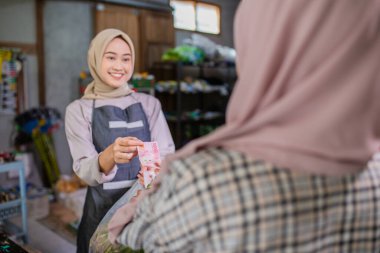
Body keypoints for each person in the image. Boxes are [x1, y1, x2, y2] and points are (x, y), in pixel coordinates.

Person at [106, 0, 380, 252]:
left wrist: (143, 198)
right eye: (111, 58)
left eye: (125, 58)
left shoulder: (204, 182)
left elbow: (132, 237)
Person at [64, 28, 175, 253]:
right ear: (95, 59)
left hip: (143, 210)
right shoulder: (79, 110)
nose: (119, 66)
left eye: (126, 59)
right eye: (110, 57)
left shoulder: (149, 104)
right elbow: (84, 169)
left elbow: (166, 153)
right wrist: (110, 155)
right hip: (100, 212)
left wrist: (156, 173)